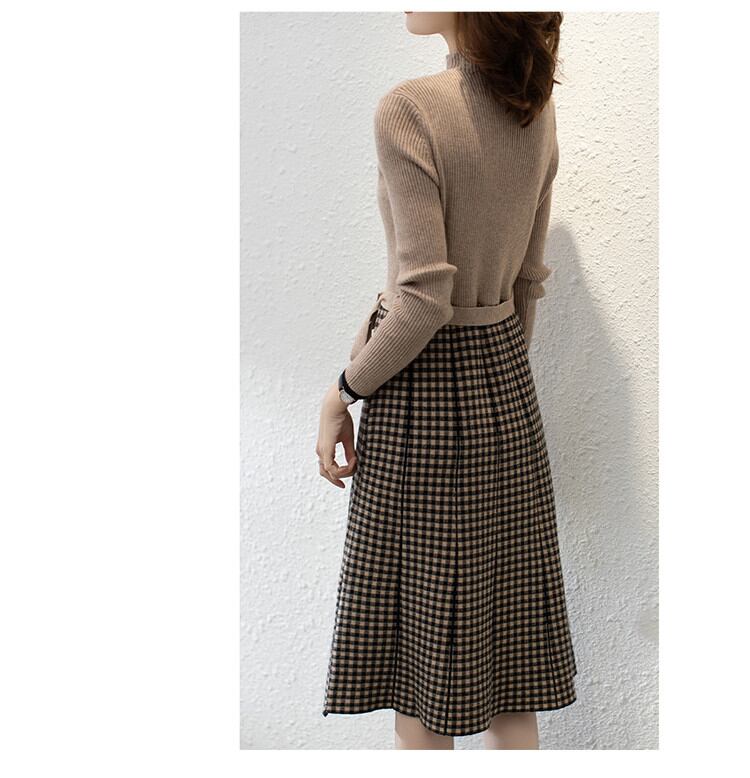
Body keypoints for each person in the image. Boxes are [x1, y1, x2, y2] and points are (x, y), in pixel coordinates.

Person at [316, 11, 577, 750]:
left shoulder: (409, 109)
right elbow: (525, 281)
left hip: (421, 396)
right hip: (508, 391)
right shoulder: (536, 108)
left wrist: (342, 391)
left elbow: (423, 300)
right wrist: (499, 385)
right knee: (509, 671)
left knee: (422, 678)